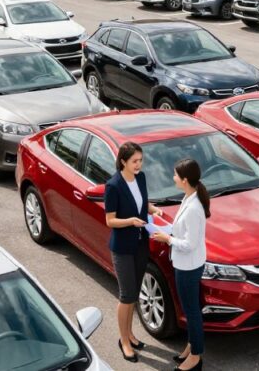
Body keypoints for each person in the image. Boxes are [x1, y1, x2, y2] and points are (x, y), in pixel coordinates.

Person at [105, 141, 163, 363]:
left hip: (141, 244)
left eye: (141, 160)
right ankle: (124, 341)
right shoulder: (114, 186)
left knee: (134, 294)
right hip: (123, 248)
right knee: (126, 295)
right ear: (123, 161)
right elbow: (110, 220)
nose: (139, 164)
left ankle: (129, 334)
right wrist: (130, 221)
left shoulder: (141, 178)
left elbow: (143, 203)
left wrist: (153, 209)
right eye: (135, 161)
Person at [152, 158, 210, 371]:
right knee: (189, 308)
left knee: (191, 311)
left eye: (176, 175)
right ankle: (191, 346)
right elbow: (183, 231)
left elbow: (190, 244)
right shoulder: (189, 197)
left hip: (189, 266)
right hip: (186, 263)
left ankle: (195, 357)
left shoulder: (194, 207)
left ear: (184, 180)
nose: (173, 178)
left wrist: (167, 240)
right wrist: (167, 231)